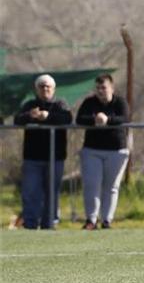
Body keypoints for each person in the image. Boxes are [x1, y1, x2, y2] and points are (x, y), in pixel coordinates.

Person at [14, 74, 73, 230]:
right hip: (32, 158)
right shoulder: (30, 105)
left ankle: (49, 224)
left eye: (48, 86)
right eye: (42, 86)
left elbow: (67, 119)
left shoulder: (60, 104)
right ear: (36, 89)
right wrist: (30, 116)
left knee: (51, 193)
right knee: (31, 192)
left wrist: (47, 117)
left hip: (55, 157)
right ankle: (30, 224)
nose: (45, 89)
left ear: (53, 89)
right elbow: (17, 120)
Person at [76, 74, 130, 230]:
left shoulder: (120, 102)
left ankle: (107, 220)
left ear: (111, 88)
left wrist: (108, 120)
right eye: (98, 88)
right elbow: (79, 119)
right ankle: (91, 220)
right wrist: (95, 119)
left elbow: (124, 118)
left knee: (111, 186)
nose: (100, 91)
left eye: (104, 87)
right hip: (92, 150)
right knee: (91, 185)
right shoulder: (89, 102)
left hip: (116, 150)